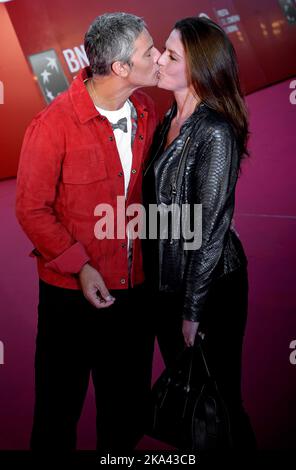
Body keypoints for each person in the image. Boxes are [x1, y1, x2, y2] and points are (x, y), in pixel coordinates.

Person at [16, 12, 160, 452]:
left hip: (134, 298)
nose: (159, 57)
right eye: (148, 52)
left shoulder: (145, 110)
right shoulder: (51, 126)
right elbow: (31, 209)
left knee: (125, 418)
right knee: (56, 419)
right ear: (120, 68)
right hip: (68, 304)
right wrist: (80, 267)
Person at [142, 16, 256, 449]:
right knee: (190, 399)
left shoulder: (215, 131)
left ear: (199, 69)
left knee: (219, 400)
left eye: (171, 55)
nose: (158, 57)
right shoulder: (169, 115)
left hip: (211, 290)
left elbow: (209, 233)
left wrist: (192, 310)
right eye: (162, 48)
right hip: (169, 284)